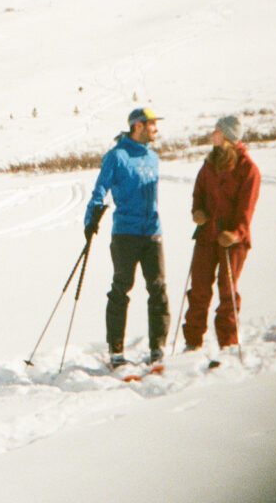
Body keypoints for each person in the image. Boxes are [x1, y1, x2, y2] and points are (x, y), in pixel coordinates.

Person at [84, 107, 170, 368]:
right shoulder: (116, 156)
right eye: (152, 124)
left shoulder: (153, 157)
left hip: (152, 233)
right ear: (138, 126)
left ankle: (158, 347)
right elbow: (100, 189)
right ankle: (116, 350)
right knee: (121, 288)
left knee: (158, 289)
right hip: (125, 234)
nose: (156, 129)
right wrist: (91, 220)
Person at [182, 115, 260, 353]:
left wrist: (235, 234)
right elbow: (199, 193)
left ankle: (228, 344)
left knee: (227, 291)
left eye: (216, 131)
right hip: (207, 236)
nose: (212, 135)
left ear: (227, 136)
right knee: (199, 291)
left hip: (231, 242)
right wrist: (197, 212)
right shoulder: (209, 163)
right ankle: (192, 342)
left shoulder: (248, 168)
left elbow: (247, 209)